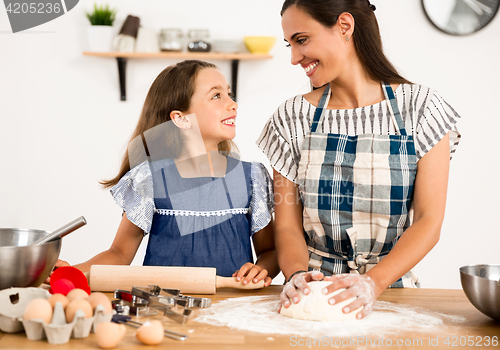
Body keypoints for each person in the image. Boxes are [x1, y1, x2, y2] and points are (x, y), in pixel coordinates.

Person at [257, 0, 461, 317]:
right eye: (290, 45)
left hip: (392, 296)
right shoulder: (291, 119)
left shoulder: (422, 110)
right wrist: (297, 276)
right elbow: (287, 227)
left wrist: (371, 284)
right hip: (313, 296)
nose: (295, 58)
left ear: (345, 26)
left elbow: (428, 222)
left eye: (301, 40)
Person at [52, 60, 279, 286]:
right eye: (216, 96)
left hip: (233, 310)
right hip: (163, 308)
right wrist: (71, 271)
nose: (233, 104)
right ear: (180, 118)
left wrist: (262, 268)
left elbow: (270, 251)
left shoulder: (251, 177)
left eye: (229, 94)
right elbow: (119, 254)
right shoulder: (150, 179)